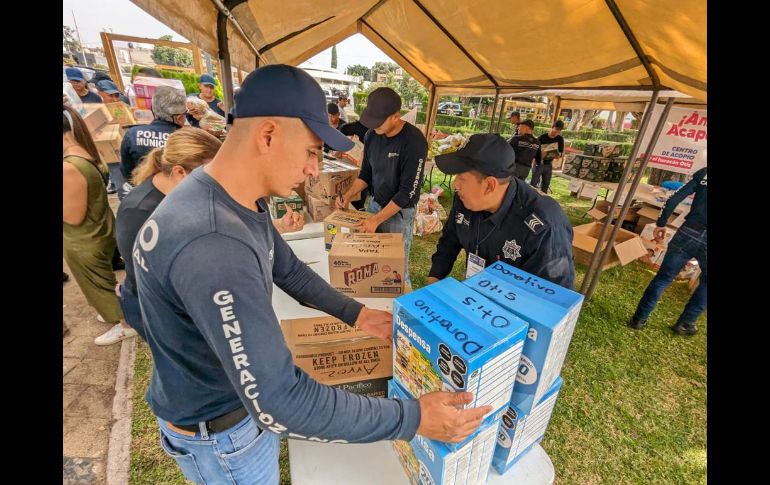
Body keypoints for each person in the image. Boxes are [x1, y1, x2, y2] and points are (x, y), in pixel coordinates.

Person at [132, 64, 489, 484]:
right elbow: (281, 402)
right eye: (312, 151)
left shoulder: (231, 198)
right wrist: (412, 417)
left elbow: (288, 270)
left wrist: (358, 314)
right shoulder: (214, 242)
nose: (314, 170)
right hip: (221, 430)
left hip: (221, 401)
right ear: (268, 136)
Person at [116, 128, 223, 341]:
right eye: (210, 177)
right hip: (159, 309)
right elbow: (146, 277)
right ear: (179, 172)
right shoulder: (140, 212)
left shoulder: (182, 193)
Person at [428, 133, 575, 289]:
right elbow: (450, 239)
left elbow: (553, 297)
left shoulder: (545, 227)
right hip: (476, 295)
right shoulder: (466, 199)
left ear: (490, 185)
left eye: (462, 178)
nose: (455, 185)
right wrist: (434, 281)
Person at [336, 87, 427, 288]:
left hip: (399, 212)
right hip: (374, 205)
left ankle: (400, 308)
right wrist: (349, 194)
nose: (374, 126)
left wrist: (376, 220)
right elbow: (366, 175)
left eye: (379, 121)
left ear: (396, 116)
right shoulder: (371, 136)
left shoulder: (414, 141)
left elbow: (407, 192)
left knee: (396, 270)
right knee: (373, 262)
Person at [62, 105, 138, 346]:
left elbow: (73, 217)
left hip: (84, 239)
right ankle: (115, 312)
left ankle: (125, 323)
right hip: (102, 228)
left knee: (100, 285)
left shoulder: (69, 166)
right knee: (106, 279)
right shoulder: (86, 151)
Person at [628, 167, 707, 335]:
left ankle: (639, 319)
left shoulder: (705, 172)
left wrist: (661, 224)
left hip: (688, 231)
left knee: (664, 277)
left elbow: (673, 199)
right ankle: (686, 324)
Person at [119, 86, 187, 198]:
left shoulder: (133, 134)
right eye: (186, 113)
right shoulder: (184, 138)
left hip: (142, 195)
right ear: (179, 118)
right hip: (175, 196)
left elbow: (126, 171)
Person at [531, 120, 565, 194]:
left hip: (549, 164)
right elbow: (534, 150)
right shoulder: (542, 137)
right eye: (556, 130)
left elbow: (561, 152)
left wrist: (559, 155)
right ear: (552, 127)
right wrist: (537, 160)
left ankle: (543, 201)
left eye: (559, 131)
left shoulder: (560, 139)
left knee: (546, 184)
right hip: (538, 163)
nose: (557, 132)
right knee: (533, 184)